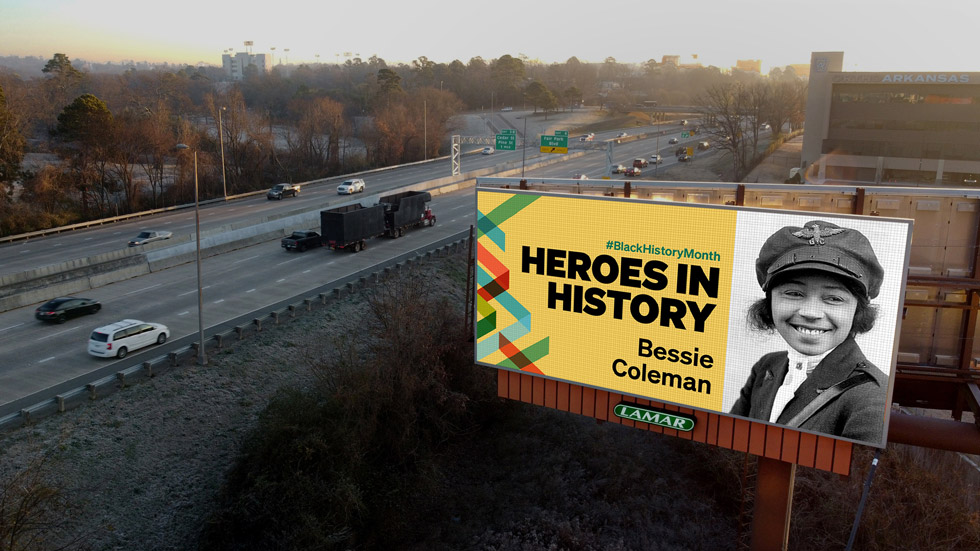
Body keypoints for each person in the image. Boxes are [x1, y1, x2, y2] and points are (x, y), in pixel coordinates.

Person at [729, 220, 889, 443]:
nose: (811, 313)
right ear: (770, 302)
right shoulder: (766, 367)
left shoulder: (873, 397)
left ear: (857, 311)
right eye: (794, 293)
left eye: (834, 298)